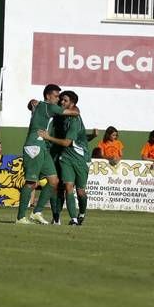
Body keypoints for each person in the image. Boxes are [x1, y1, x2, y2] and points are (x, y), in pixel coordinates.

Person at [17, 83, 80, 225]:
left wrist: (31, 103)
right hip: (34, 146)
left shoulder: (40, 105)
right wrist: (75, 109)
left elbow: (31, 105)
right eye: (56, 96)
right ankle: (20, 217)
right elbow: (73, 112)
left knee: (54, 181)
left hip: (42, 147)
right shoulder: (49, 106)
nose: (58, 99)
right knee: (31, 182)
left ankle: (37, 212)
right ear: (47, 96)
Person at [37, 90, 95, 226]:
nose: (61, 102)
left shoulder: (74, 119)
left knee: (80, 191)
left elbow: (69, 141)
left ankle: (81, 214)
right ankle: (63, 218)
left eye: (65, 100)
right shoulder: (58, 112)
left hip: (80, 158)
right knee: (61, 186)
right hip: (63, 156)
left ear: (72, 104)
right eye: (60, 99)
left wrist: (48, 137)